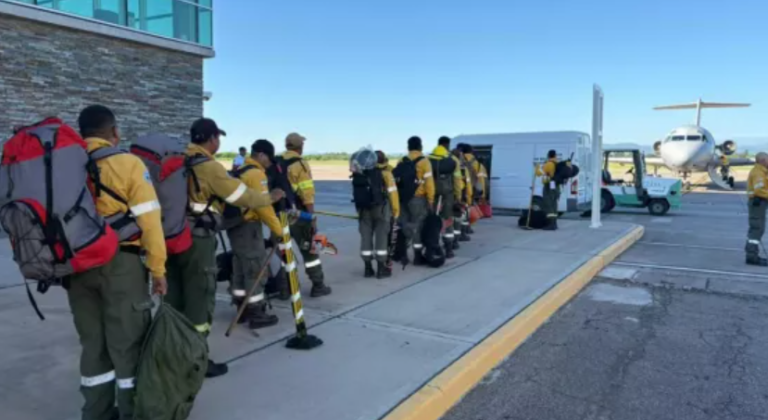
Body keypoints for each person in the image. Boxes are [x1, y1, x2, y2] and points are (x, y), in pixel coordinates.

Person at [71, 105, 167, 420]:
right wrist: (158, 269)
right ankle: (132, 412)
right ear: (114, 132)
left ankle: (96, 413)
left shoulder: (66, 165)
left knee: (93, 345)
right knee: (129, 344)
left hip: (77, 267)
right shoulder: (127, 162)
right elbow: (149, 222)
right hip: (121, 265)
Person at [168, 118, 283, 378]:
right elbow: (242, 196)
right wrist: (270, 198)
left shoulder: (179, 160)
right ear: (211, 139)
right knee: (200, 298)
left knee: (177, 297)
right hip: (198, 237)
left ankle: (174, 351)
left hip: (174, 234)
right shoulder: (209, 167)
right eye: (217, 137)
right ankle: (197, 360)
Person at [226, 140, 285, 329]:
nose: (269, 163)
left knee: (240, 268)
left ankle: (241, 308)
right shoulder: (256, 174)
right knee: (255, 270)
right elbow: (263, 207)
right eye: (268, 158)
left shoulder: (240, 170)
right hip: (249, 228)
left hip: (235, 227)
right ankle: (256, 313)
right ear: (261, 155)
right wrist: (279, 231)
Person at [278, 133, 333, 297]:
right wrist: (311, 217)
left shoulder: (276, 162)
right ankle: (318, 285)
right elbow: (307, 193)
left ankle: (285, 288)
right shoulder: (299, 164)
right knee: (309, 251)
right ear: (300, 147)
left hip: (278, 214)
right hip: (298, 215)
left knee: (283, 253)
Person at [355, 149, 400, 278]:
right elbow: (393, 194)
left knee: (365, 238)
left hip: (364, 210)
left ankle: (367, 268)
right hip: (381, 210)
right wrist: (395, 212)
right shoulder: (386, 173)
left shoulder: (361, 173)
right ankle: (381, 269)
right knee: (381, 238)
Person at [400, 136, 436, 265]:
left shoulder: (402, 160)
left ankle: (402, 254)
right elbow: (429, 183)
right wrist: (431, 200)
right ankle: (417, 256)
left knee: (404, 226)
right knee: (418, 227)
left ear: (408, 147)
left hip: (403, 199)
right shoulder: (424, 162)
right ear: (421, 146)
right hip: (418, 199)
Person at [429, 136, 463, 259]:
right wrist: (458, 196)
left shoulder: (427, 160)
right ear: (447, 145)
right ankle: (448, 249)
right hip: (448, 193)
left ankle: (432, 246)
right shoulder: (453, 160)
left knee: (431, 220)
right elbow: (457, 180)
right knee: (448, 219)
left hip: (431, 194)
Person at [746, 152, 768, 266]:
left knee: (757, 228)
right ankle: (752, 256)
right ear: (763, 160)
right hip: (757, 203)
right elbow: (759, 190)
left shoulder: (762, 171)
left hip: (759, 203)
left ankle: (752, 254)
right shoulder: (758, 173)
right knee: (757, 228)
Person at [537, 149, 560, 231]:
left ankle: (551, 224)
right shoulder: (557, 164)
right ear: (555, 155)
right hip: (556, 187)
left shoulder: (549, 164)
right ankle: (554, 224)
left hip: (549, 186)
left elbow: (538, 173)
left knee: (548, 206)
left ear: (548, 155)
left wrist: (537, 167)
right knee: (554, 206)